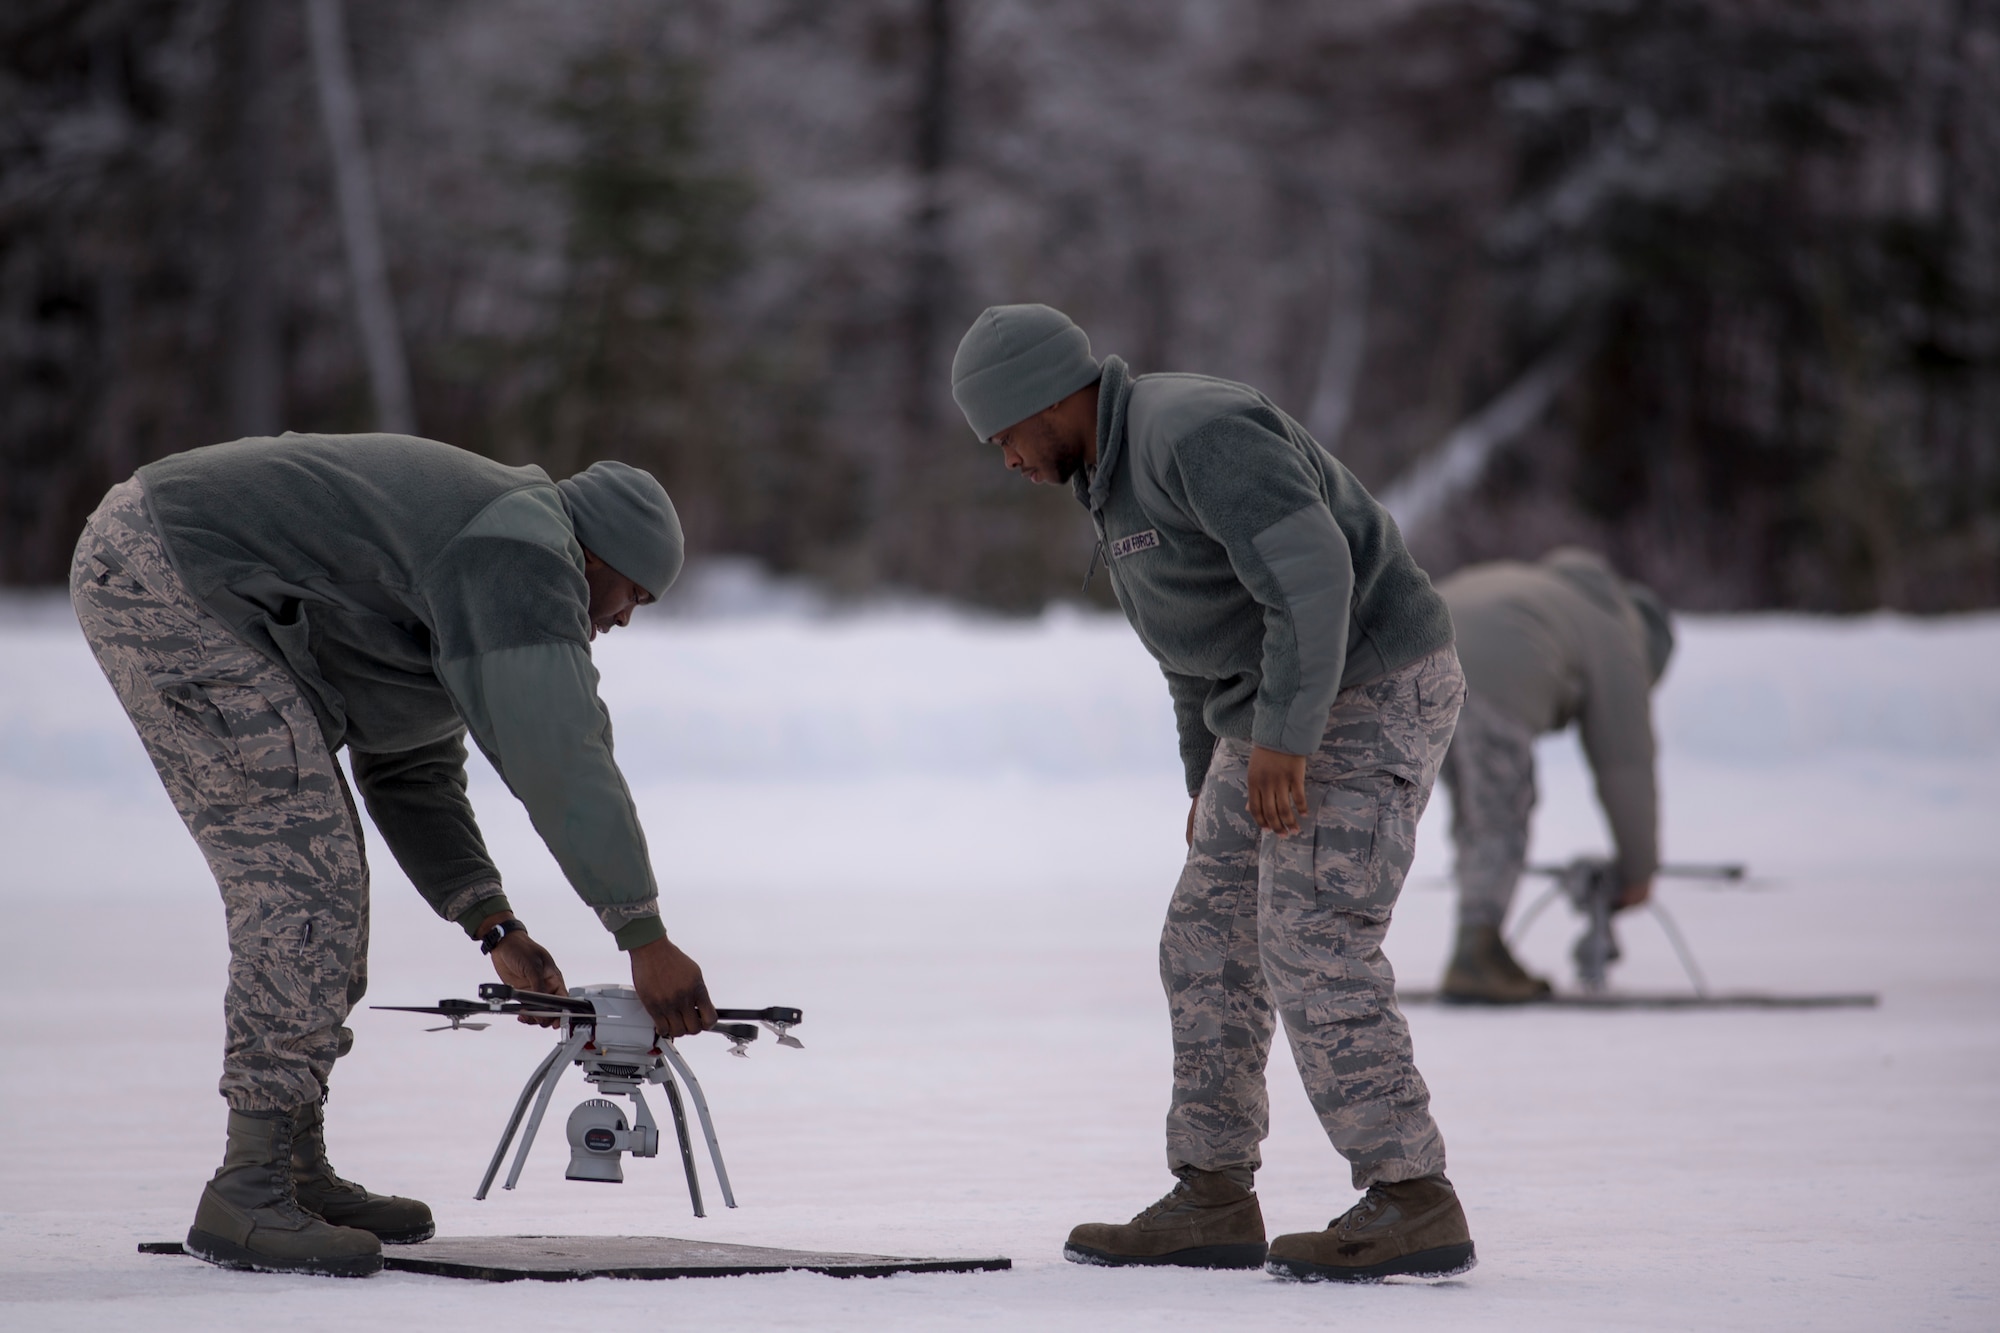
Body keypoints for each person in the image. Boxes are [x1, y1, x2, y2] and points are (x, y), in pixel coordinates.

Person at [69, 433, 717, 1278]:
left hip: (186, 570)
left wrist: (493, 924)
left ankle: (293, 1169)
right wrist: (643, 933)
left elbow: (410, 765)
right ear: (594, 557)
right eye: (634, 592)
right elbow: (563, 754)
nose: (626, 616)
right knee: (302, 885)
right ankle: (249, 1187)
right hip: (169, 573)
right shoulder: (520, 550)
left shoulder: (474, 564)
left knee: (324, 875)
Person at [950, 304, 1474, 1283]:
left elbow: (1312, 576)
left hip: (1365, 678)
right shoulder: (1108, 493)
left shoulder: (1190, 430)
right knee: (1205, 935)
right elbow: (1190, 657)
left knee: (1311, 930)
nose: (1007, 461)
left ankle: (1412, 1196)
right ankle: (1211, 1195)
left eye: (1005, 435)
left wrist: (1285, 736)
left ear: (1047, 400)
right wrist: (1208, 782)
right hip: (1271, 701)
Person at [1434, 549, 1676, 1003]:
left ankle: (1475, 941)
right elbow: (1625, 763)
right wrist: (1639, 870)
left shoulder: (1543, 591)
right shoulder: (1618, 631)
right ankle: (1476, 952)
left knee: (1472, 813)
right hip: (1488, 674)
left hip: (1407, 659)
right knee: (1499, 814)